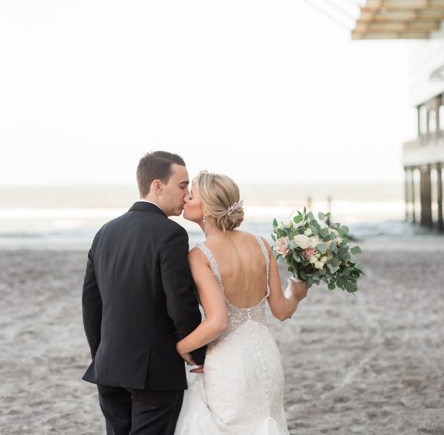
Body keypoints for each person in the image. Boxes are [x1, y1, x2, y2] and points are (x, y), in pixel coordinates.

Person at [172, 172, 307, 434]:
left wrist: (179, 348)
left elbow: (218, 322)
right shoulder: (261, 244)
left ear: (208, 209)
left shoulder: (200, 256)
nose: (186, 198)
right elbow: (281, 311)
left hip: (230, 364)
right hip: (266, 359)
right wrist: (298, 295)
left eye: (192, 194)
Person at [83, 150, 206, 435]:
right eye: (182, 185)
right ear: (157, 186)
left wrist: (100, 353)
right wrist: (196, 352)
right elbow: (181, 303)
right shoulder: (170, 233)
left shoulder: (105, 232)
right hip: (154, 372)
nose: (187, 194)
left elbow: (91, 304)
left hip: (108, 367)